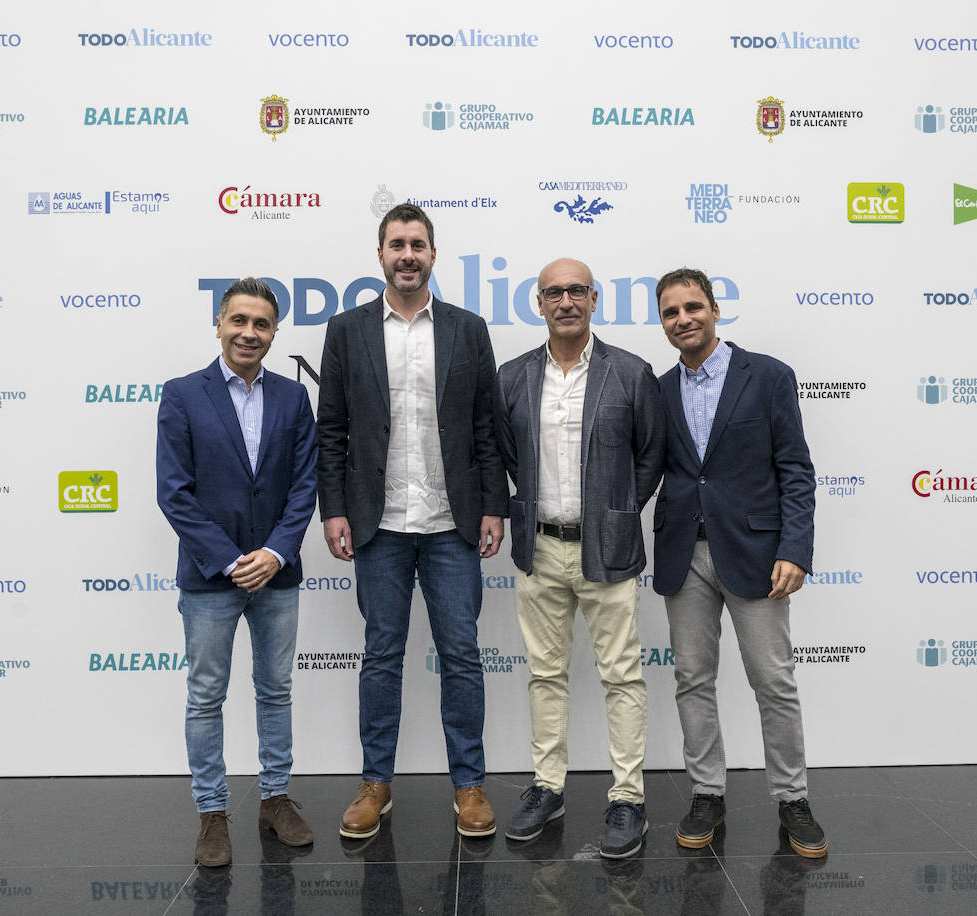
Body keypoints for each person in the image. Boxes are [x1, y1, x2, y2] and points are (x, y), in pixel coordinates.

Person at [316, 203, 508, 839]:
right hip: (379, 523)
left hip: (452, 521)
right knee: (381, 656)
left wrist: (492, 505)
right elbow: (333, 431)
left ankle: (470, 785)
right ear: (380, 255)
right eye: (396, 244)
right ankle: (376, 785)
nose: (407, 254)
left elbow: (486, 427)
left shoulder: (467, 328)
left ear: (433, 254)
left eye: (417, 244)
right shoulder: (346, 331)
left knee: (461, 654)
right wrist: (335, 509)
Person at [652, 267, 827, 858]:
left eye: (693, 307)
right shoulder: (657, 389)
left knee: (774, 681)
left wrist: (794, 548)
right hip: (684, 555)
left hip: (757, 556)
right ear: (663, 322)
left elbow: (796, 471)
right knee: (692, 680)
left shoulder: (769, 376)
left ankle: (793, 798)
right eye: (672, 312)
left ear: (715, 309)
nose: (684, 319)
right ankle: (707, 792)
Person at [493, 258, 665, 858]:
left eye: (576, 291)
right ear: (538, 304)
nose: (565, 300)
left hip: (608, 549)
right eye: (553, 293)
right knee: (545, 675)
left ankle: (627, 797)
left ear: (594, 299)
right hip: (538, 548)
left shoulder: (632, 373)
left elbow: (651, 457)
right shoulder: (512, 376)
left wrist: (619, 511)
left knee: (621, 674)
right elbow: (509, 456)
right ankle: (548, 787)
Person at [156, 277, 319, 866]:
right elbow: (174, 494)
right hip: (210, 579)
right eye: (239, 321)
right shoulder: (181, 394)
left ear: (274, 334)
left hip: (277, 574)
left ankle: (275, 799)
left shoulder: (294, 399)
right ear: (219, 324)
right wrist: (230, 561)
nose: (250, 333)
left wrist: (274, 553)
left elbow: (305, 486)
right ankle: (212, 813)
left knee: (275, 692)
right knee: (206, 697)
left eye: (262, 324)